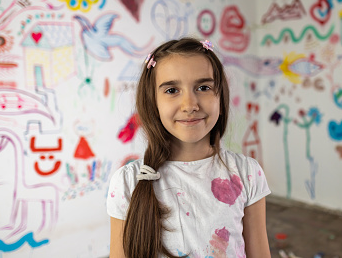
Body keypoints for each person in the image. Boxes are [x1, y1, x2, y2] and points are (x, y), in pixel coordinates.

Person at [107, 37, 271, 257]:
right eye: (172, 90)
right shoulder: (127, 182)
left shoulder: (247, 173)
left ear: (220, 99)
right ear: (152, 103)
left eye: (203, 87)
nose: (190, 105)